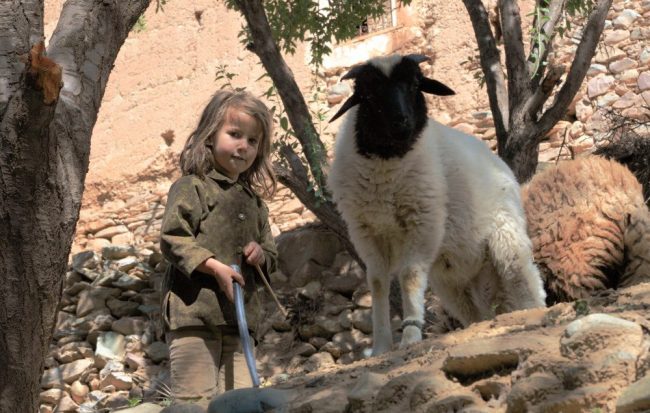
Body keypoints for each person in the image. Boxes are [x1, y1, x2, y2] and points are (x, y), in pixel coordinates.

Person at [159, 89, 278, 406]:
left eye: (253, 141)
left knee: (241, 403)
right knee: (193, 405)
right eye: (235, 134)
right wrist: (214, 267)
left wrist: (261, 255)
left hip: (241, 326)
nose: (244, 146)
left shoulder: (255, 203)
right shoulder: (192, 187)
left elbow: (273, 254)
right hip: (194, 318)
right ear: (210, 136)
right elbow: (173, 238)